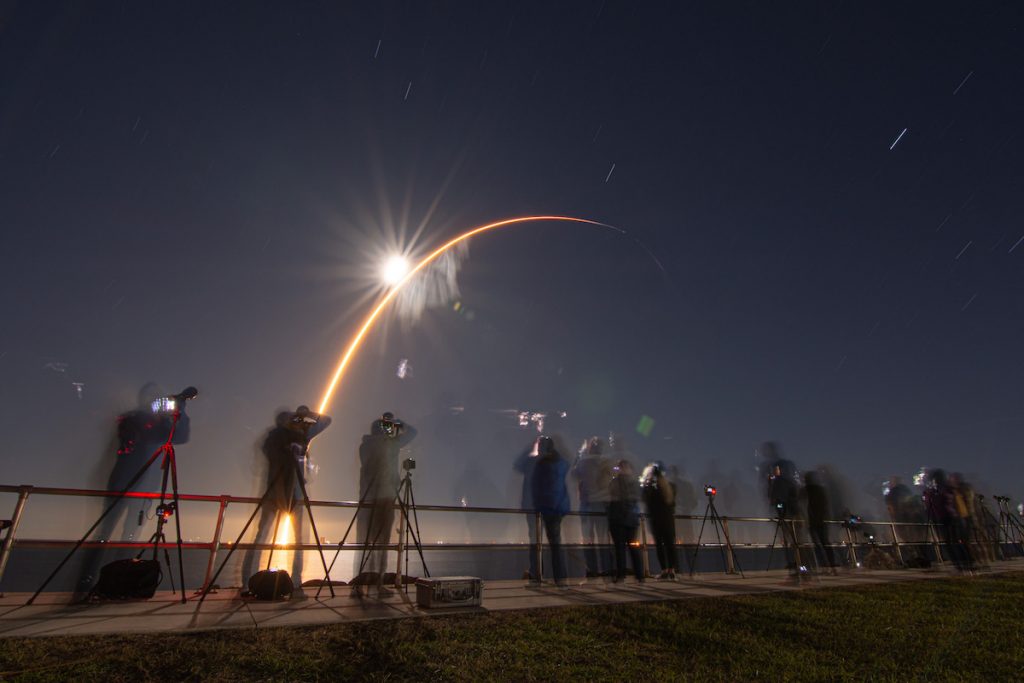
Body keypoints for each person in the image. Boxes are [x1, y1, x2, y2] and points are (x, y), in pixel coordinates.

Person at [78, 383, 191, 591]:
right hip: (123, 484)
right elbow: (147, 437)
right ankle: (86, 580)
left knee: (131, 533)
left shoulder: (160, 424)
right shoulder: (133, 420)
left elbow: (181, 437)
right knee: (105, 532)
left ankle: (119, 579)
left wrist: (180, 412)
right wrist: (166, 418)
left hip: (144, 487)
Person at [241, 405, 331, 590]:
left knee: (293, 539)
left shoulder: (300, 437)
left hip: (292, 493)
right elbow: (272, 454)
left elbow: (326, 420)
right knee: (264, 536)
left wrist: (304, 416)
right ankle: (249, 581)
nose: (295, 423)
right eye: (291, 420)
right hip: (277, 492)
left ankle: (294, 580)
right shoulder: (274, 439)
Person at [355, 411, 417, 595]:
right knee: (381, 544)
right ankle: (378, 584)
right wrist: (399, 423)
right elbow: (413, 432)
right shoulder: (390, 445)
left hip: (367, 498)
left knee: (364, 542)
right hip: (384, 497)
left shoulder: (364, 446)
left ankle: (359, 585)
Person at [531, 435, 570, 586]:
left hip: (547, 507)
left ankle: (544, 576)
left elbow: (537, 487)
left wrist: (537, 504)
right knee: (557, 544)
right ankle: (561, 578)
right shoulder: (561, 463)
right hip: (559, 507)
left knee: (549, 542)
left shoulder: (541, 465)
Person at [572, 437, 612, 578]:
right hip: (603, 505)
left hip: (587, 505)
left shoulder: (583, 462)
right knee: (603, 538)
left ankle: (592, 569)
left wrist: (579, 454)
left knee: (588, 539)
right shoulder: (607, 462)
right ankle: (607, 569)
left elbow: (573, 475)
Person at [607, 459, 644, 583]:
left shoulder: (615, 482)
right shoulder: (635, 483)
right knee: (634, 547)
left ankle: (621, 576)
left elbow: (611, 496)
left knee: (620, 548)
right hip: (632, 520)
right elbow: (638, 498)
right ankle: (640, 575)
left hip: (617, 519)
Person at [641, 462, 678, 580]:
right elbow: (672, 503)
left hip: (656, 520)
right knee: (670, 546)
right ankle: (672, 570)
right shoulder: (671, 487)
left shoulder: (651, 489)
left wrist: (646, 483)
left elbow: (645, 500)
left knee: (660, 546)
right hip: (668, 520)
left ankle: (664, 570)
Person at [802, 471, 837, 574]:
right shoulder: (821, 489)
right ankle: (832, 566)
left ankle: (824, 566)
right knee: (826, 543)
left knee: (817, 545)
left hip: (813, 521)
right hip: (822, 520)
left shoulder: (807, 489)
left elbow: (798, 498)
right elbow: (826, 504)